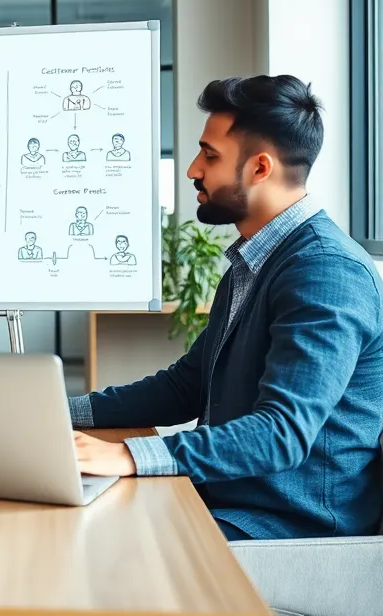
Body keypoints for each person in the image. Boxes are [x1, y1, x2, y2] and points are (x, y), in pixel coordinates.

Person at [71, 75, 383, 541]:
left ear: (260, 168)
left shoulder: (326, 272)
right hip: (228, 500)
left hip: (290, 529)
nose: (192, 169)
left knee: (95, 543)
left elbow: (281, 434)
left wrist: (127, 455)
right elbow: (188, 385)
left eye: (210, 155)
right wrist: (61, 412)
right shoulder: (257, 259)